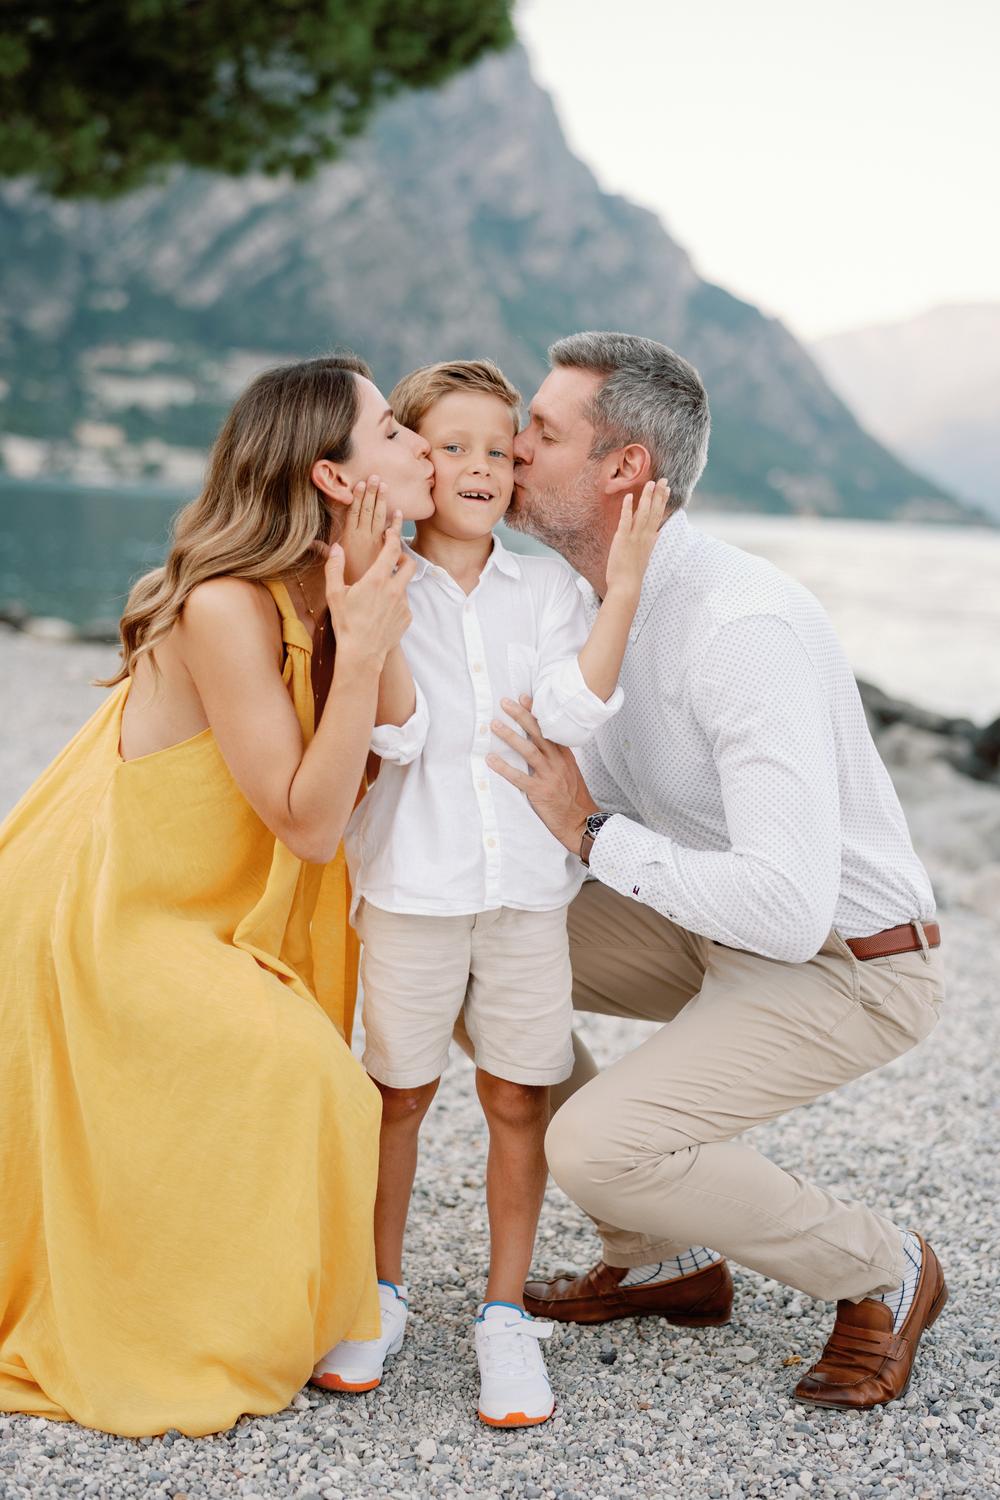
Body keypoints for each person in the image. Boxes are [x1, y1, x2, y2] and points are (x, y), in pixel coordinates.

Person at [487, 331, 947, 1412]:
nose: (511, 447)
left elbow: (786, 911)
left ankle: (881, 1267)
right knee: (481, 950)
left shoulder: (744, 626)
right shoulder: (581, 604)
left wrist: (590, 832)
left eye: (541, 432)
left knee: (595, 1145)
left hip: (845, 963)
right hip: (701, 918)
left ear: (623, 471)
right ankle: (658, 1259)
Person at [0, 353, 434, 1438]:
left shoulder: (334, 588)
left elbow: (398, 737)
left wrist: (373, 619)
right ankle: (201, 1323)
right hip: (124, 911)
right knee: (307, 1076)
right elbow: (308, 817)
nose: (422, 445)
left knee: (312, 1072)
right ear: (335, 479)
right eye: (394, 432)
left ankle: (257, 1286)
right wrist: (369, 637)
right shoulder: (226, 604)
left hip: (222, 900)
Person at [312, 359, 669, 1427]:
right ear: (414, 463)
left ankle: (503, 1315)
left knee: (518, 1095)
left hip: (523, 894)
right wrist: (376, 592)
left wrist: (625, 589)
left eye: (497, 446)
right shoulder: (375, 583)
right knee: (398, 1094)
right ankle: (378, 1296)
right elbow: (402, 732)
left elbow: (569, 706)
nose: (476, 465)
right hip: (412, 891)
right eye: (448, 446)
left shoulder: (551, 591)